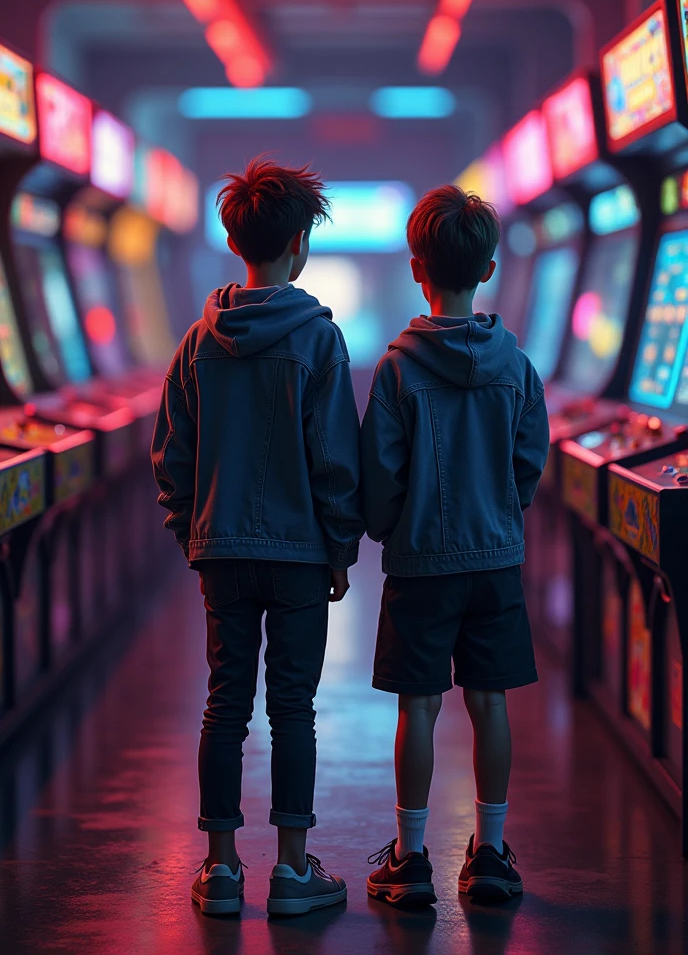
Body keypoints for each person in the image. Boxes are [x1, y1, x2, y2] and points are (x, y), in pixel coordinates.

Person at [151, 158, 363, 917]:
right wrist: (341, 546)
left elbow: (170, 454)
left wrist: (194, 531)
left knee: (224, 704)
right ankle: (294, 872)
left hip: (224, 553)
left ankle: (221, 870)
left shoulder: (197, 343)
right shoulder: (318, 340)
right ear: (299, 243)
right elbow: (336, 458)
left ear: (235, 238)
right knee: (293, 708)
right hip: (301, 554)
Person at [362, 185, 549, 906]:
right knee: (490, 703)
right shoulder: (518, 366)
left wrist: (387, 529)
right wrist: (504, 512)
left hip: (420, 563)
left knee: (419, 706)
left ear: (418, 269)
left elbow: (381, 474)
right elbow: (528, 462)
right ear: (490, 267)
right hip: (495, 561)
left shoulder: (398, 369)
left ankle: (410, 861)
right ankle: (492, 853)